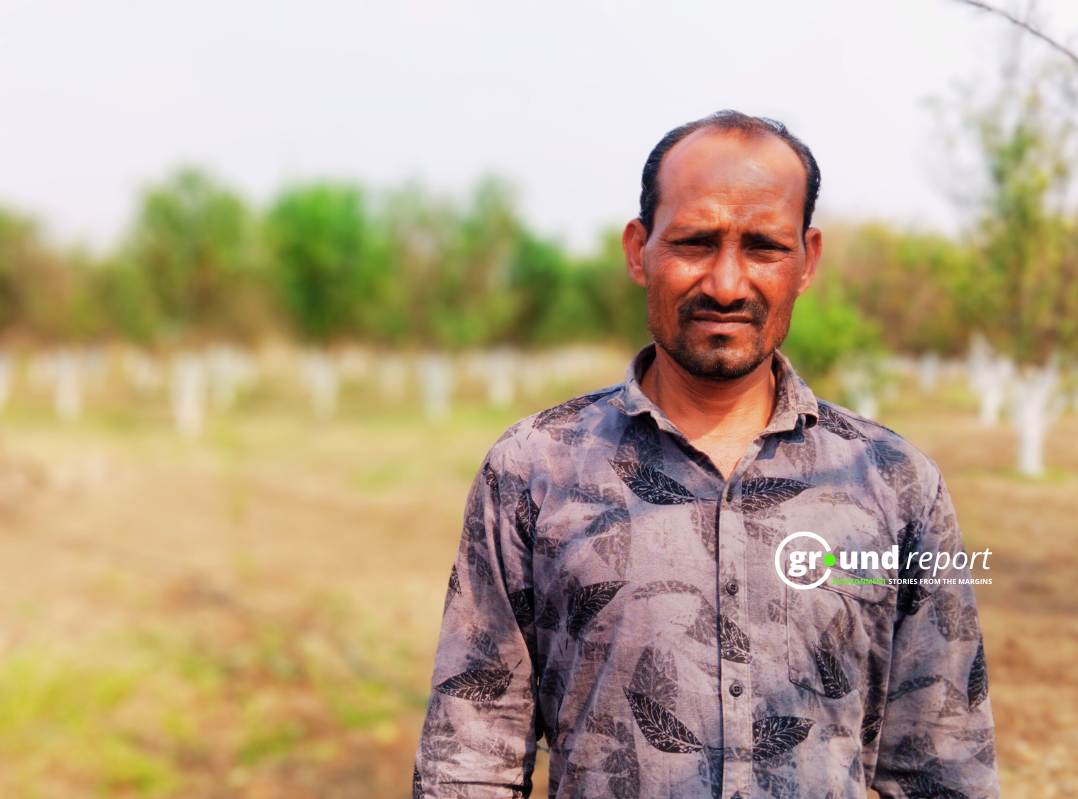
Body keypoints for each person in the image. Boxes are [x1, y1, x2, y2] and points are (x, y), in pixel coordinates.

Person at [412, 110, 999, 799]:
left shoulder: (898, 485)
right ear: (639, 250)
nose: (726, 285)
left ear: (807, 260)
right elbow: (470, 756)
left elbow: (942, 764)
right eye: (695, 242)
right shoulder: (533, 469)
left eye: (763, 247)